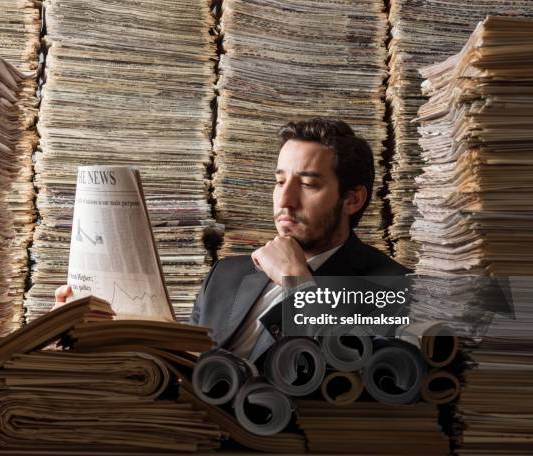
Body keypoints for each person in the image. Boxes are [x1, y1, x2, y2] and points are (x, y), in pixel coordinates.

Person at [55, 117, 408, 362]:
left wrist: (298, 283)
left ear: (352, 199)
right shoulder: (227, 274)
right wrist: (96, 332)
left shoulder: (392, 285)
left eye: (309, 184)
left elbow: (358, 373)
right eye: (280, 181)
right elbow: (180, 362)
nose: (285, 200)